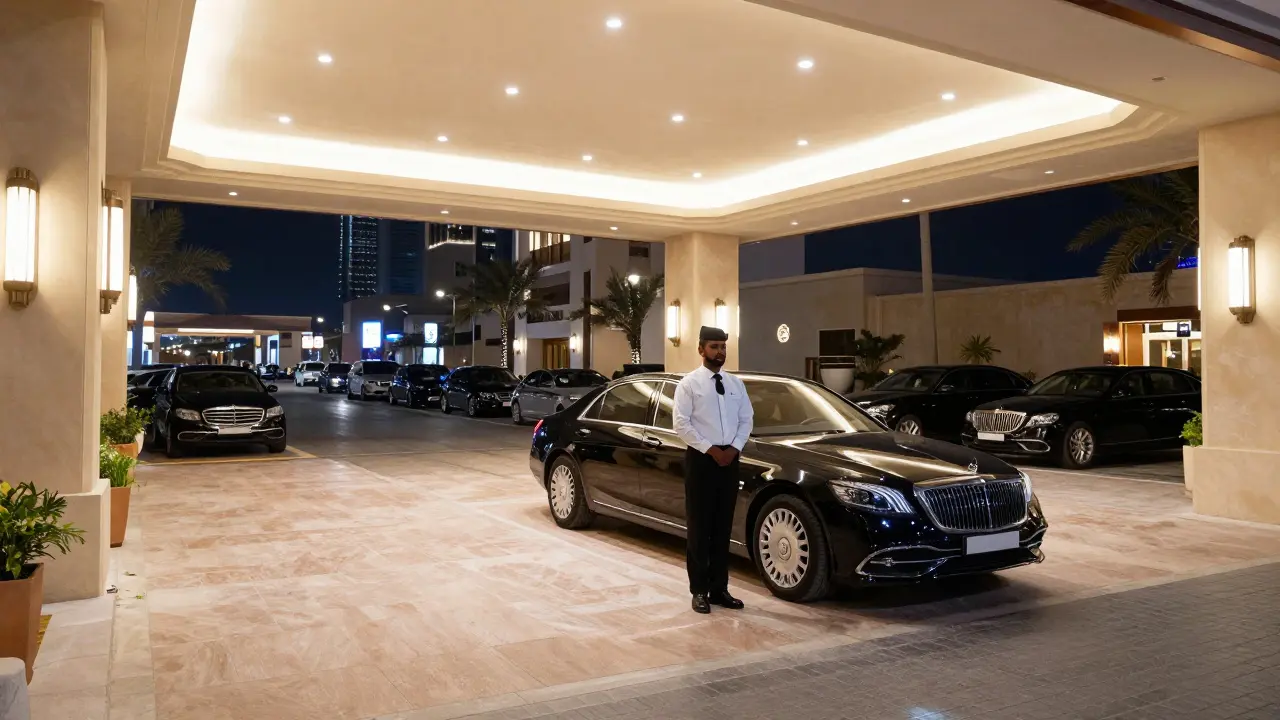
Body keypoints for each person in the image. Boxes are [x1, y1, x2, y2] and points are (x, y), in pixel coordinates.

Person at [673, 326, 754, 614]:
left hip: (730, 460)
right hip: (701, 460)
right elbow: (681, 424)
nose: (720, 352)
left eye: (722, 347)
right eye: (714, 346)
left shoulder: (735, 385)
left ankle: (720, 589)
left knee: (723, 527)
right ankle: (699, 591)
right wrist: (711, 449)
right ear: (701, 349)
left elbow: (747, 419)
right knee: (699, 527)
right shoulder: (689, 384)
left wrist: (733, 449)